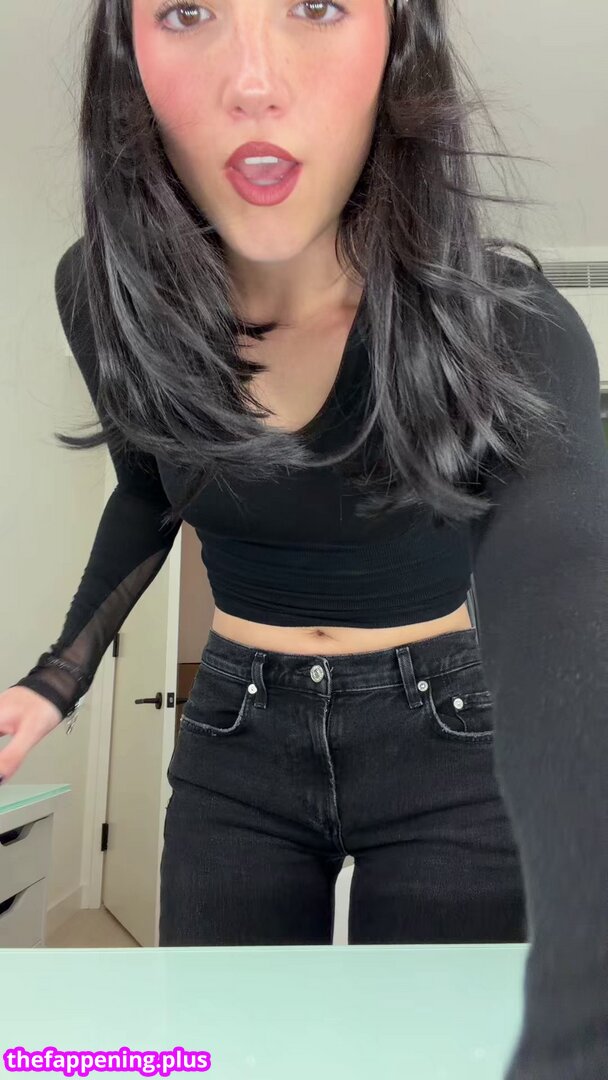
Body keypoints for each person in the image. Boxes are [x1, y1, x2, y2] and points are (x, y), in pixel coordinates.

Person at [1, 0, 607, 1076]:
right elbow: (146, 492)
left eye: (317, 5)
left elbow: (564, 566)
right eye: (187, 9)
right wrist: (57, 678)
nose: (253, 81)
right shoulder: (104, 295)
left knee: (432, 1057)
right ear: (127, 58)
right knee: (218, 1051)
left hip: (446, 729)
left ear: (399, 47)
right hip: (236, 731)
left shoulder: (502, 314)